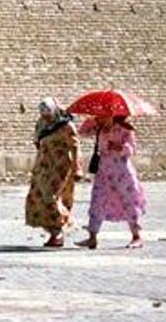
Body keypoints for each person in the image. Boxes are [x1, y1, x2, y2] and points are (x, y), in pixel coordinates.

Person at [76, 115, 148, 249]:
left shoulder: (124, 128)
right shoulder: (99, 128)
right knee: (98, 201)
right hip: (103, 172)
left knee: (128, 201)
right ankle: (92, 237)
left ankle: (136, 236)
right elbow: (82, 133)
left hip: (122, 172)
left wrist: (119, 147)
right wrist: (93, 122)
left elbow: (131, 149)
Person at [24, 97, 80, 247]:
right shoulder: (41, 124)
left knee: (51, 197)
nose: (45, 117)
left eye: (47, 113)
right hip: (43, 166)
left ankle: (61, 228)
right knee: (38, 197)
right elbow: (37, 142)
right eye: (42, 114)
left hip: (60, 166)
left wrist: (77, 167)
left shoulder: (65, 125)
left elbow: (75, 146)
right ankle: (54, 233)